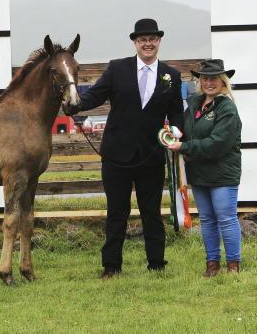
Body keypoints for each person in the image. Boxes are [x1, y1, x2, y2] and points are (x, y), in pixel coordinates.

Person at [66, 18, 183, 278]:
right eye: (142, 40)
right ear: (135, 43)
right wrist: (76, 104)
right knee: (117, 212)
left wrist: (175, 133)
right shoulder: (117, 69)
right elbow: (95, 95)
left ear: (159, 41)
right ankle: (111, 266)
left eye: (152, 39)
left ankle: (156, 263)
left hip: (151, 155)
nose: (147, 44)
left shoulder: (171, 76)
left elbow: (176, 112)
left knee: (151, 212)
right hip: (116, 155)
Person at [167, 59, 242, 276]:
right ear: (200, 81)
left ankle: (233, 265)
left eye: (214, 78)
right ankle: (212, 264)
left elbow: (217, 144)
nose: (209, 83)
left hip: (222, 174)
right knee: (207, 220)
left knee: (226, 218)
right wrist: (174, 134)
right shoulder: (194, 104)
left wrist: (183, 146)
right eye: (205, 78)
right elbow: (186, 132)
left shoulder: (227, 107)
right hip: (199, 172)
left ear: (223, 81)